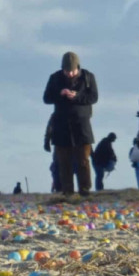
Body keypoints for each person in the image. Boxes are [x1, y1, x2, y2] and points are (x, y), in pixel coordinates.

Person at [43, 52, 98, 197]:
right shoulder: (55, 78)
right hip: (61, 124)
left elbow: (94, 97)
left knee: (83, 160)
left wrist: (77, 96)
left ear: (77, 67)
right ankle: (67, 191)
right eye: (66, 71)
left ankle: (85, 189)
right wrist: (60, 93)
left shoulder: (88, 77)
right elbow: (46, 98)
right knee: (63, 161)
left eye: (72, 71)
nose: (69, 74)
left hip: (82, 125)